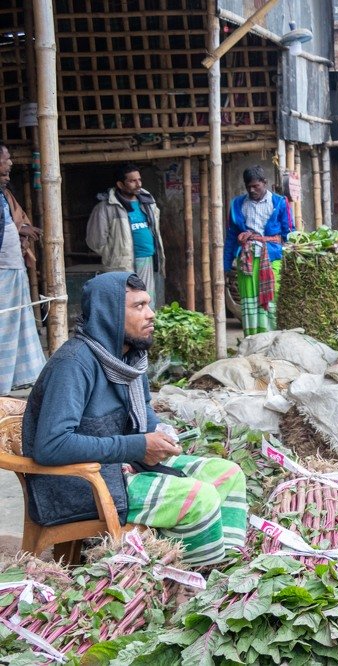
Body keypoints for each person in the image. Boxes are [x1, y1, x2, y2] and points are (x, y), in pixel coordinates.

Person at [21, 272, 248, 567]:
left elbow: (144, 421)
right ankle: (193, 578)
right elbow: (51, 446)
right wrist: (136, 446)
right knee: (198, 497)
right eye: (138, 306)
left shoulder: (129, 360)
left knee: (228, 475)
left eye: (148, 305)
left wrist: (160, 436)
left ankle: (223, 565)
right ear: (110, 313)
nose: (151, 314)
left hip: (122, 468)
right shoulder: (74, 365)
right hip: (82, 484)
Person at [223, 165, 293, 336]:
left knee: (271, 297)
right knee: (249, 300)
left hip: (272, 257)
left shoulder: (279, 203)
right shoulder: (238, 204)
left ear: (265, 183)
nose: (252, 190)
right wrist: (224, 267)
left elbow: (289, 232)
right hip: (245, 259)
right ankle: (252, 339)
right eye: (249, 187)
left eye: (256, 186)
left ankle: (271, 336)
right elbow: (231, 237)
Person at [0, 142, 46, 395]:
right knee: (4, 322)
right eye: (5, 160)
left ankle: (19, 376)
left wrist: (19, 230)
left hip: (11, 267)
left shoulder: (3, 195)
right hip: (3, 268)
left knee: (15, 319)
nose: (10, 164)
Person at [86, 164, 165, 307]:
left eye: (139, 180)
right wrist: (115, 255)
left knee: (147, 301)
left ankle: (147, 329)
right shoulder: (106, 208)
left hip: (147, 259)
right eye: (132, 181)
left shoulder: (148, 202)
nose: (138, 184)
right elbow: (95, 241)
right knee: (127, 304)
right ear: (120, 184)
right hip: (122, 264)